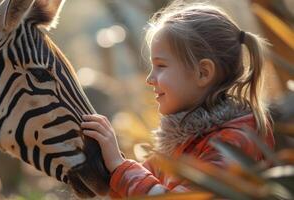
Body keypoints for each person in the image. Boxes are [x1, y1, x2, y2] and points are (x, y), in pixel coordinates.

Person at [81, 1, 275, 198]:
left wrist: (119, 166)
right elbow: (131, 189)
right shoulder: (181, 141)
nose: (150, 79)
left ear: (203, 73)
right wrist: (107, 163)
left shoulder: (232, 143)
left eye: (161, 66)